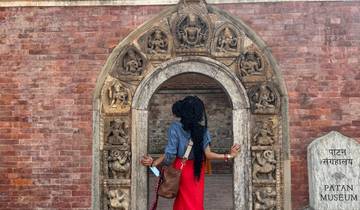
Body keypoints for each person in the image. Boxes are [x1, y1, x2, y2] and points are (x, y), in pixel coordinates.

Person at [141, 96, 241, 210]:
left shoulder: (175, 127)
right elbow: (208, 154)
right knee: (195, 202)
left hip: (180, 168)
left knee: (181, 204)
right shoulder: (203, 130)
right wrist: (229, 155)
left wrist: (155, 163)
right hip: (196, 170)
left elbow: (170, 154)